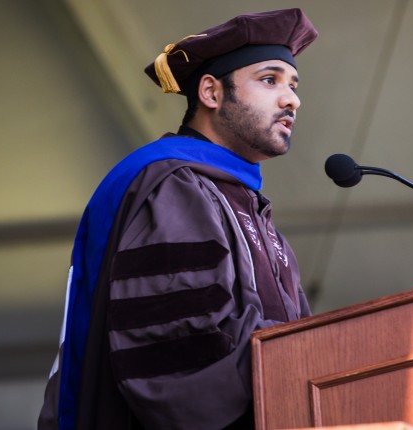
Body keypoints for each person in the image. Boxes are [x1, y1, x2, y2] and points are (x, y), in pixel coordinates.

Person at [37, 8, 318, 430]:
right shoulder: (173, 186)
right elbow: (180, 356)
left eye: (293, 85)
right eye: (269, 80)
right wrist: (295, 359)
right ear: (210, 92)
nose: (291, 99)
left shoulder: (251, 209)